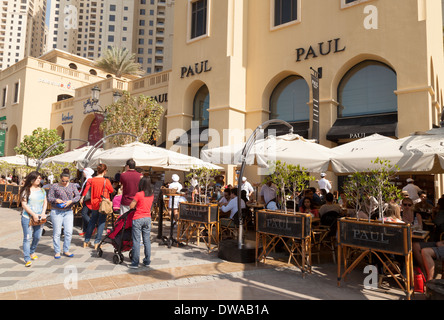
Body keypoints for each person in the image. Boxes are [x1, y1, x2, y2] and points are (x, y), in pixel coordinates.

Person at [47, 169, 80, 259]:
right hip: (56, 211)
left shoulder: (72, 186)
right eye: (63, 181)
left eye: (67, 181)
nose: (65, 182)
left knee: (68, 232)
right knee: (57, 232)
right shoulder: (54, 186)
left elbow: (78, 196)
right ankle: (57, 251)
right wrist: (55, 200)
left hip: (68, 211)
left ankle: (66, 250)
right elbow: (49, 197)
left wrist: (71, 201)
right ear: (60, 179)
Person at [83, 164, 114, 249]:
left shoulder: (92, 180)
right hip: (103, 204)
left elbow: (87, 189)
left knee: (92, 221)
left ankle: (86, 241)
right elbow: (111, 190)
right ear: (104, 171)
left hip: (94, 203)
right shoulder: (106, 180)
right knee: (101, 222)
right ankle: (97, 242)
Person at [20, 171, 47, 267]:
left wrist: (43, 213)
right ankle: (27, 258)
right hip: (27, 217)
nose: (39, 180)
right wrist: (33, 214)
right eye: (37, 178)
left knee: (37, 236)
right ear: (31, 180)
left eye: (40, 178)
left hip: (39, 218)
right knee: (27, 238)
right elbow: (24, 204)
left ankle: (32, 251)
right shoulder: (26, 191)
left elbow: (45, 202)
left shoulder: (42, 191)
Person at [128, 176, 155, 269]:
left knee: (136, 240)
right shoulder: (151, 194)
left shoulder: (139, 194)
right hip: (147, 218)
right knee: (147, 240)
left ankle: (135, 262)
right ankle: (147, 261)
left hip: (138, 218)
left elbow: (131, 206)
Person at [79, 167, 94, 236]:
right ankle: (85, 230)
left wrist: (82, 197)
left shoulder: (89, 180)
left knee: (84, 214)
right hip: (89, 199)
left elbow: (86, 189)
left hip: (88, 200)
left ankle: (93, 226)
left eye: (84, 172)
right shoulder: (89, 179)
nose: (83, 173)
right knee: (86, 214)